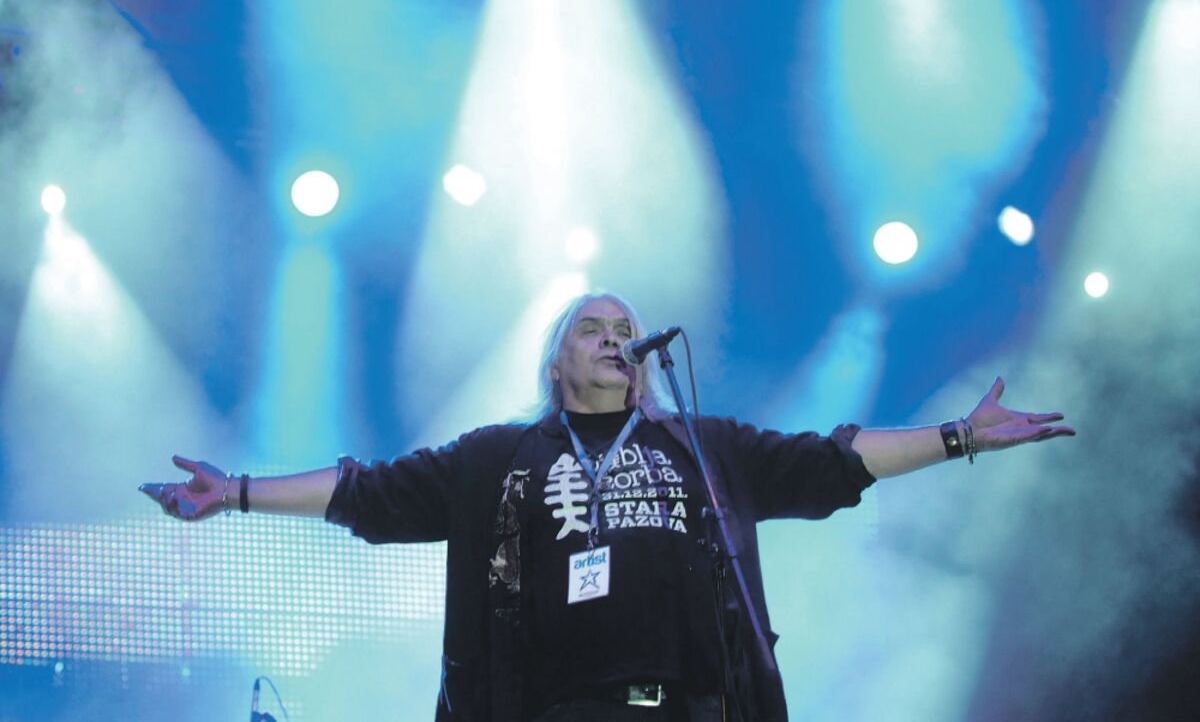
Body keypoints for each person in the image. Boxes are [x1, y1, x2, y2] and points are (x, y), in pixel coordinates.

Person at [140, 291, 1074, 721]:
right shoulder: (497, 458)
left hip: (689, 709)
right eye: (591, 328)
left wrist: (959, 435)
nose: (614, 338)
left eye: (625, 328)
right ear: (557, 360)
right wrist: (240, 494)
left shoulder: (700, 445)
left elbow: (831, 462)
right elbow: (368, 492)